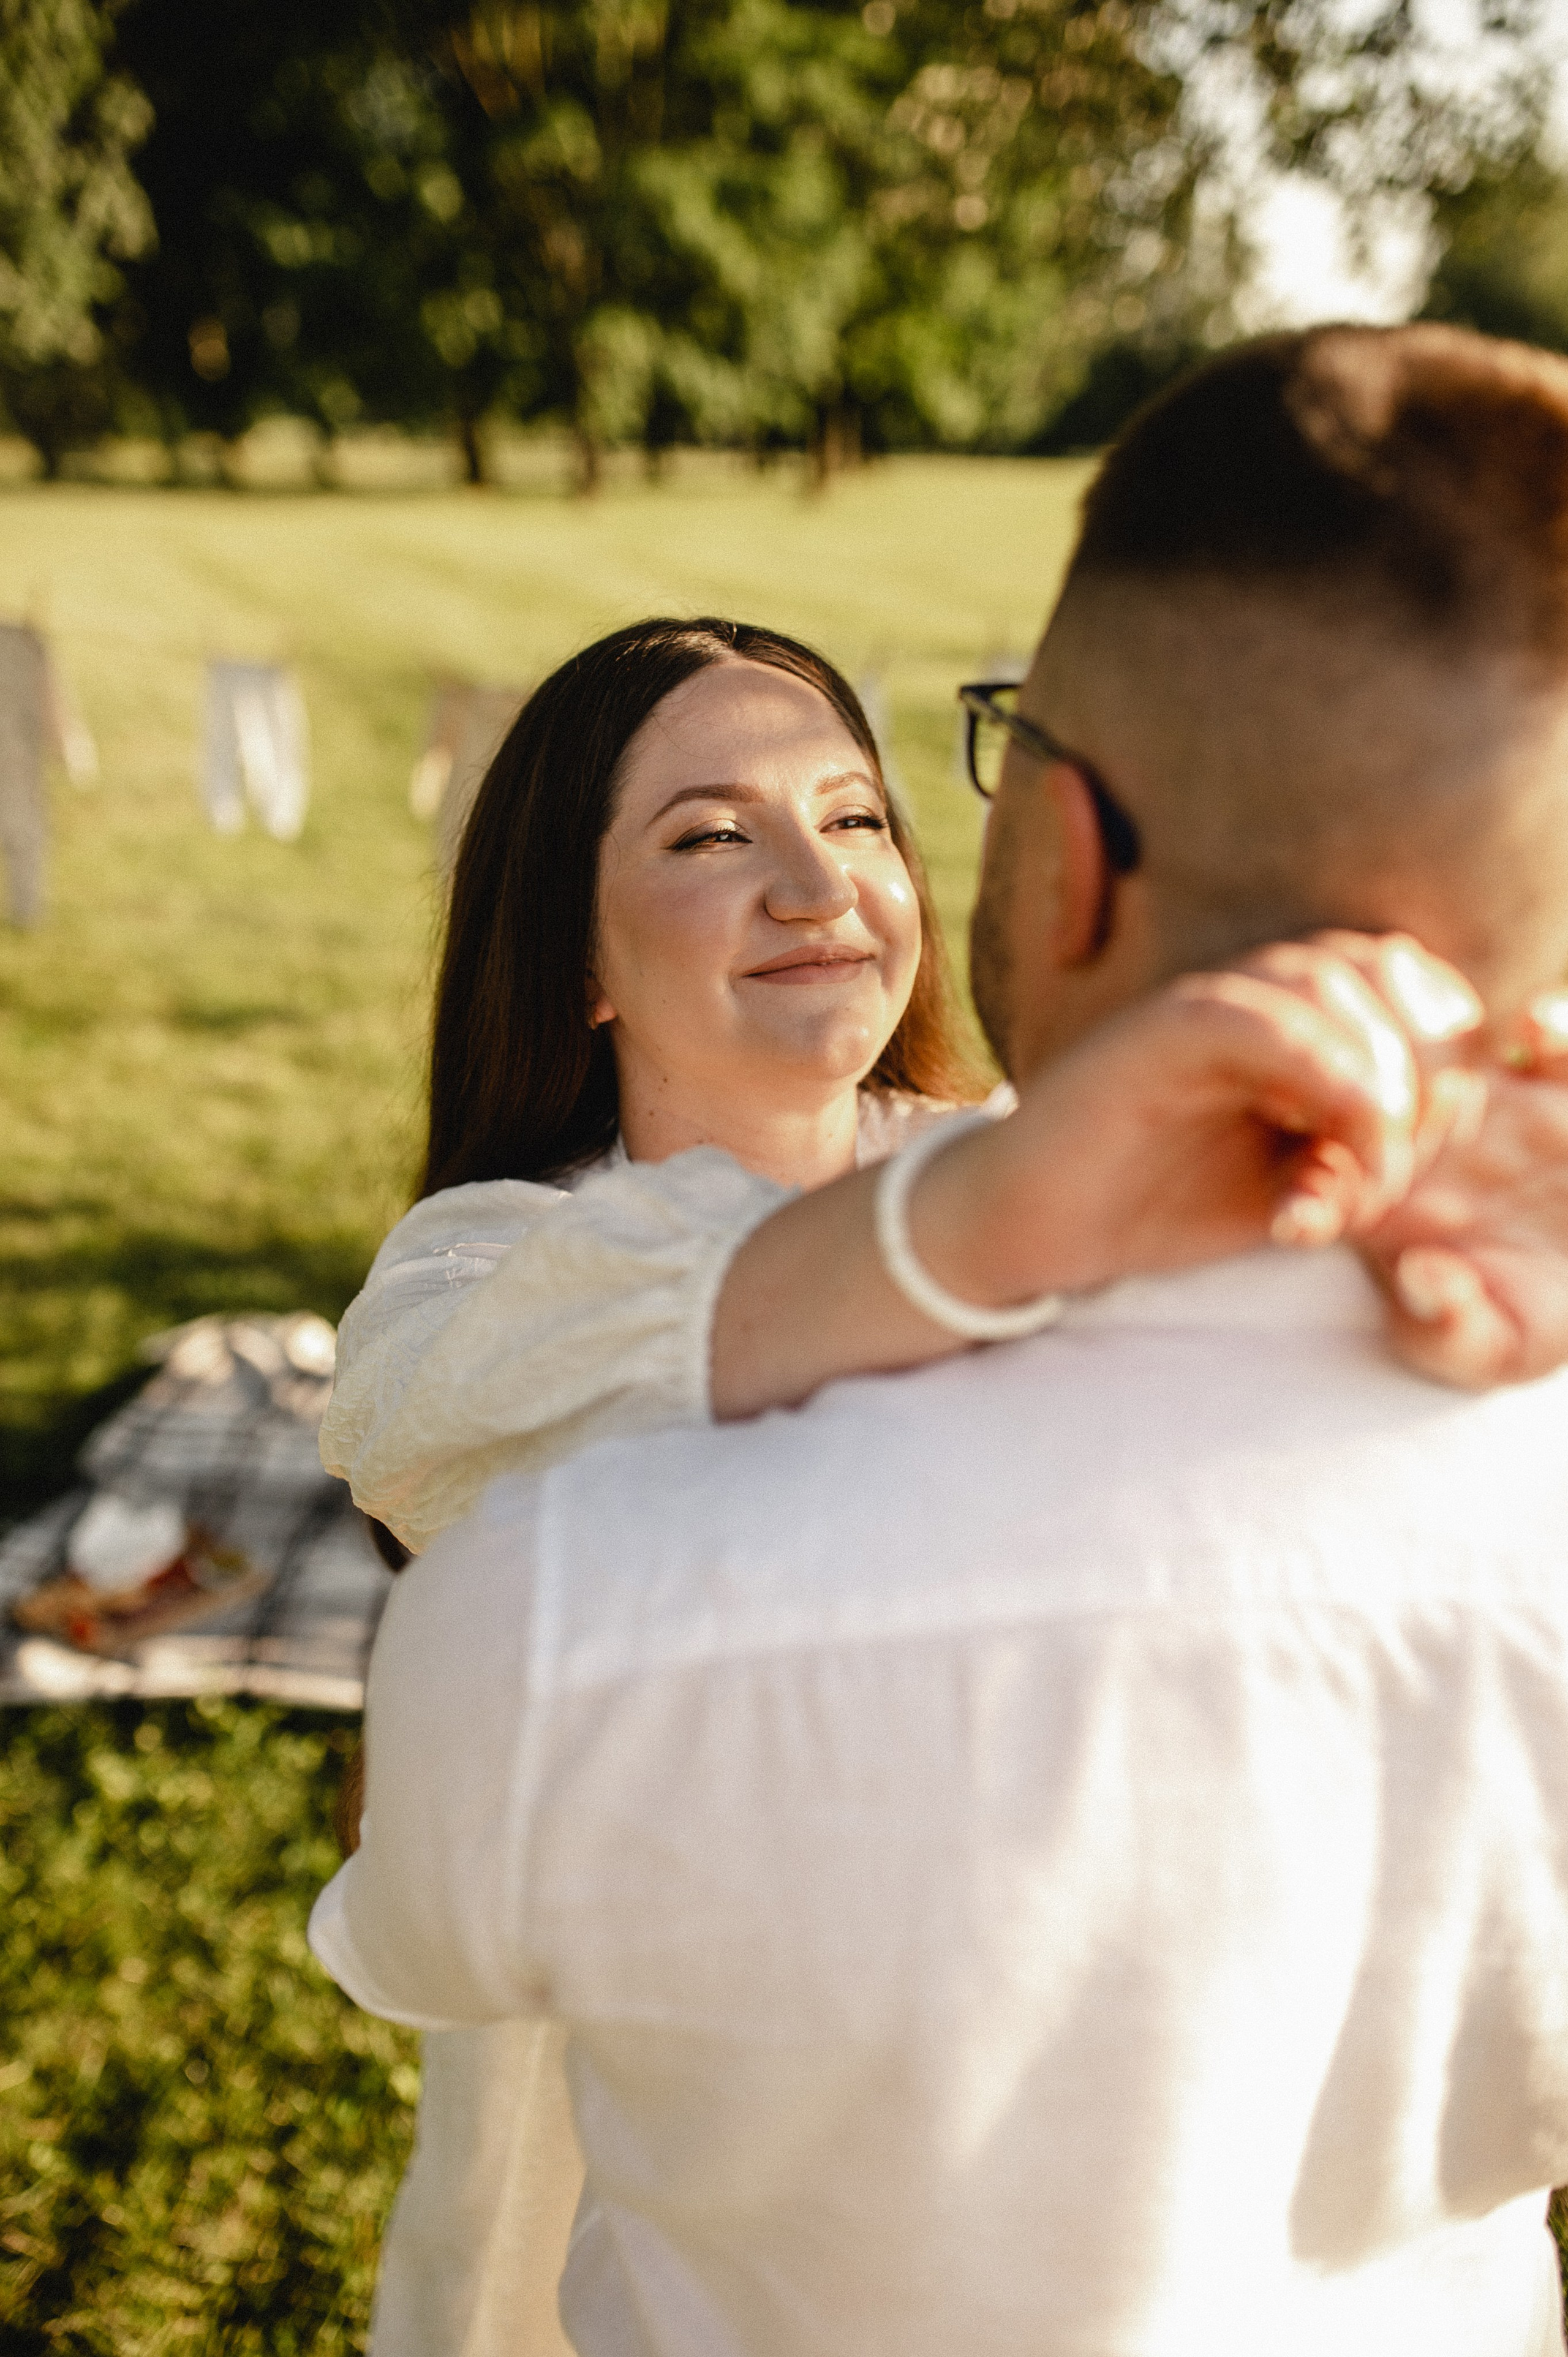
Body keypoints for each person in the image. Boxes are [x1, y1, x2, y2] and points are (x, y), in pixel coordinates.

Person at [316, 320, 1568, 2356]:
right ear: (580, 956)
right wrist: (987, 1225)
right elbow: (415, 1419)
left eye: (860, 817)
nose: (819, 882)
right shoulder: (506, 1254)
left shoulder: (1043, 1155)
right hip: (624, 2107)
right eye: (711, 836)